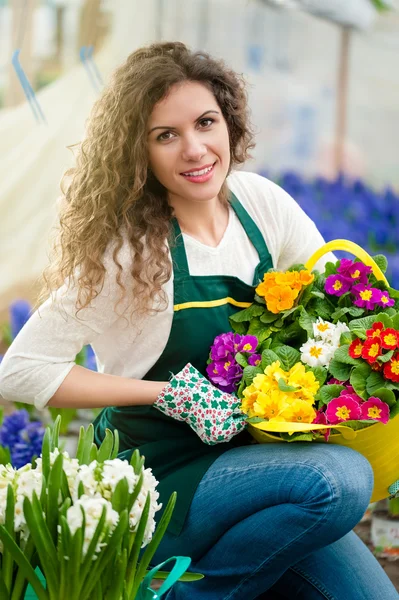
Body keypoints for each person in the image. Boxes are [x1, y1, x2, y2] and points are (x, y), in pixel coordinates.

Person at [0, 41, 397, 600]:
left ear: (229, 123)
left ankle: (220, 576)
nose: (195, 149)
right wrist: (165, 393)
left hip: (260, 464)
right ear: (139, 153)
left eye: (206, 122)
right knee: (339, 481)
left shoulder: (262, 205)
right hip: (162, 476)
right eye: (166, 135)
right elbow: (20, 369)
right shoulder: (131, 253)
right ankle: (193, 593)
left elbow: (341, 303)